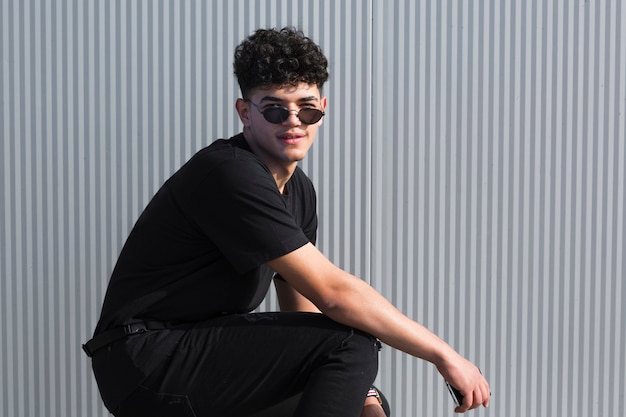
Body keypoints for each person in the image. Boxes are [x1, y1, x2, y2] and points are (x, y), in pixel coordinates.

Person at [83, 27, 490, 417]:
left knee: (364, 398)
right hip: (148, 361)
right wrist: (444, 354)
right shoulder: (229, 173)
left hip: (193, 357)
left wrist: (363, 390)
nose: (293, 120)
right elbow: (335, 295)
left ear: (322, 111)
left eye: (307, 108)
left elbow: (306, 314)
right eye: (275, 109)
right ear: (245, 112)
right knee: (351, 345)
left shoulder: (299, 191)